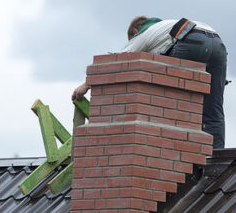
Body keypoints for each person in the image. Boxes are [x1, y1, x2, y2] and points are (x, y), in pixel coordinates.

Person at [72, 16, 227, 149]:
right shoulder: (163, 28)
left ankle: (170, 149)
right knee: (213, 109)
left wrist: (86, 85)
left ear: (134, 32)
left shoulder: (144, 32)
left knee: (167, 100)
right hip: (218, 45)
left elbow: (118, 61)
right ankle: (216, 157)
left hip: (189, 39)